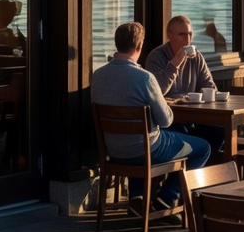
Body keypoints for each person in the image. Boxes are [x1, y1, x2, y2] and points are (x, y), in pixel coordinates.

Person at [91, 21, 212, 215]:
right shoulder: (145, 78)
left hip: (114, 150)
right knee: (203, 148)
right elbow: (166, 120)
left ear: (117, 44)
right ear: (139, 47)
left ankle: (137, 198)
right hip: (146, 150)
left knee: (142, 139)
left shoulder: (98, 75)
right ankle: (167, 197)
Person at [144, 15, 224, 153]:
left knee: (219, 130)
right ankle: (181, 172)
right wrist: (176, 62)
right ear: (169, 36)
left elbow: (210, 87)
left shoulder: (196, 57)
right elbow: (157, 92)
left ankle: (200, 171)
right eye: (182, 35)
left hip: (193, 118)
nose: (187, 39)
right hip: (167, 122)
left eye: (190, 34)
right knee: (182, 134)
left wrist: (196, 97)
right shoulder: (156, 57)